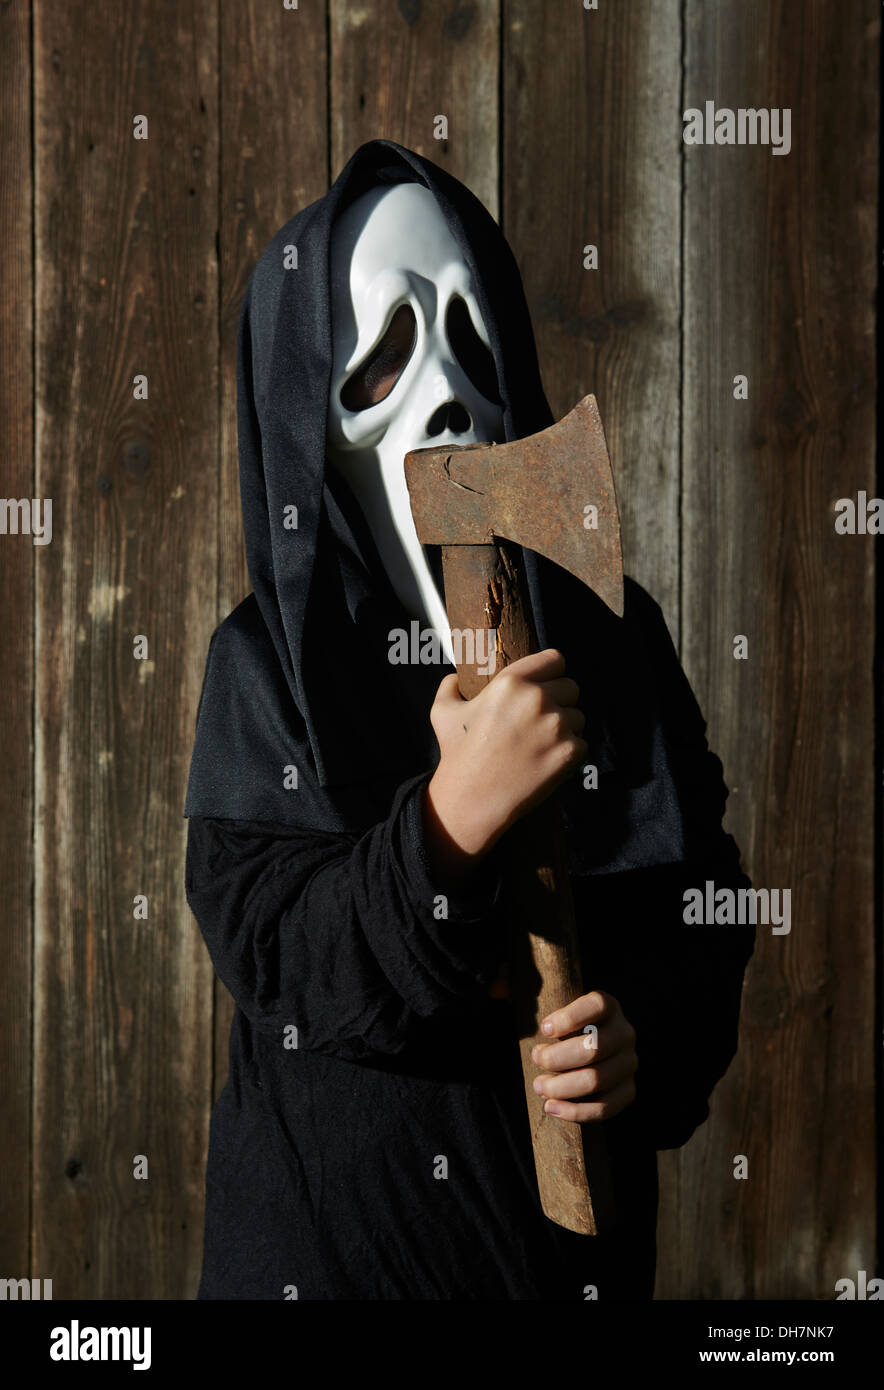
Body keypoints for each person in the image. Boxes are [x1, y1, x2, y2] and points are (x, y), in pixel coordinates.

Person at [184, 138, 755, 1300]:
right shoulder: (264, 667)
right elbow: (280, 957)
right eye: (384, 357)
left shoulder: (609, 630)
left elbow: (701, 901)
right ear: (310, 427)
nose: (445, 392)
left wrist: (643, 1037)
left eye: (466, 334)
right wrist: (444, 826)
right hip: (327, 1261)